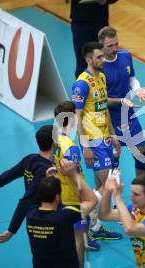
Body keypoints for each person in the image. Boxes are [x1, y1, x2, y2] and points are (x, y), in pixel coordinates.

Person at [72, 41, 122, 243]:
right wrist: (85, 146)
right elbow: (77, 115)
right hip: (93, 141)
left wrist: (114, 135)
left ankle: (95, 227)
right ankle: (84, 219)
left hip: (105, 138)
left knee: (100, 184)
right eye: (99, 57)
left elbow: (103, 108)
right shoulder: (81, 83)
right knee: (108, 185)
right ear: (88, 59)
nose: (104, 59)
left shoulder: (101, 77)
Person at [98, 26, 145, 176]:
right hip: (109, 119)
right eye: (110, 46)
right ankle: (114, 197)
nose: (114, 48)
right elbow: (100, 101)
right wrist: (121, 100)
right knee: (113, 161)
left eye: (116, 43)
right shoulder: (98, 67)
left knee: (142, 155)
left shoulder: (125, 56)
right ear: (101, 46)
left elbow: (132, 78)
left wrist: (137, 89)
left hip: (128, 114)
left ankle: (143, 193)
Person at [26, 159, 97, 268]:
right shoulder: (64, 217)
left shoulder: (31, 214)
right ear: (57, 197)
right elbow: (92, 200)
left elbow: (38, 198)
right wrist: (74, 174)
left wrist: (48, 180)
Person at [54, 101, 100, 256]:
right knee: (78, 240)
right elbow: (74, 174)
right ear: (72, 118)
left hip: (61, 192)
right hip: (74, 195)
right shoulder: (71, 147)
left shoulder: (54, 141)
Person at [0, 125, 55, 244]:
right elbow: (26, 200)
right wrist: (11, 231)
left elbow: (5, 177)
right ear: (55, 143)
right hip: (44, 219)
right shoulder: (45, 171)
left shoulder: (29, 159)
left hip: (31, 217)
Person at [61, 0, 120, 78]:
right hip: (81, 23)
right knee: (83, 59)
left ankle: (103, 89)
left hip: (101, 22)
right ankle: (81, 90)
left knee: (103, 58)